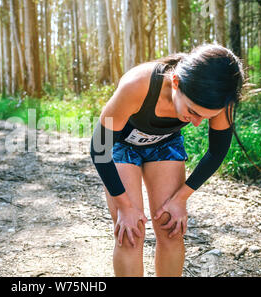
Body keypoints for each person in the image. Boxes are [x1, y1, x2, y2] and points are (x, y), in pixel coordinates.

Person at [90, 44, 244, 277]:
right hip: (121, 144)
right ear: (176, 83)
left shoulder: (221, 99)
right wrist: (125, 206)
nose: (196, 123)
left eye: (206, 117)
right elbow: (99, 148)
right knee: (130, 234)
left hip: (165, 144)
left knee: (171, 229)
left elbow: (217, 151)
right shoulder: (138, 85)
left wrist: (181, 198)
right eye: (192, 111)